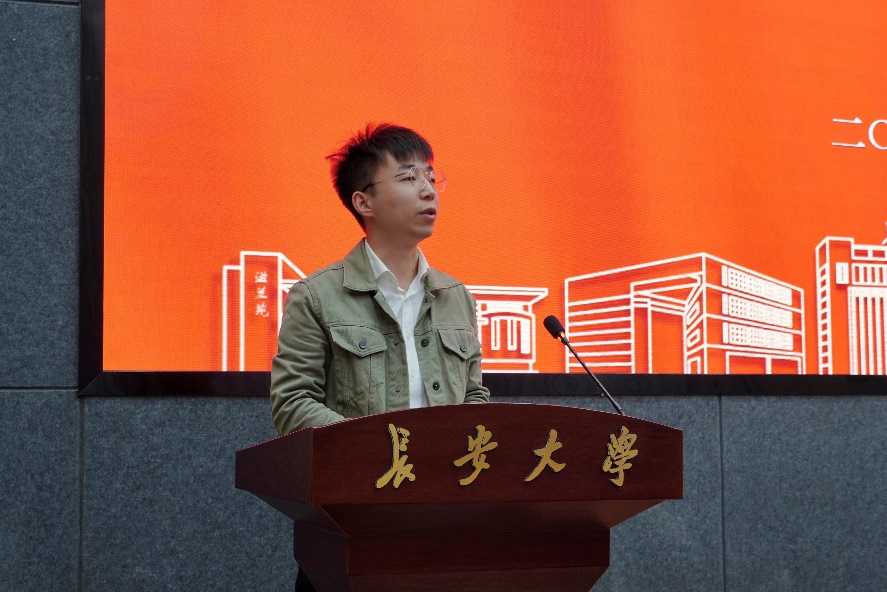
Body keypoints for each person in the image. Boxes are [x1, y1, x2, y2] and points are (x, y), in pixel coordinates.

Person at [270, 123, 490, 591]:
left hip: (443, 522)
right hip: (354, 523)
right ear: (363, 202)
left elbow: (474, 397)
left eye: (431, 176)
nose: (428, 189)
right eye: (409, 177)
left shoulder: (456, 296)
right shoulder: (317, 296)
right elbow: (292, 403)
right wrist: (379, 454)